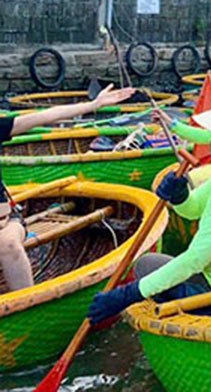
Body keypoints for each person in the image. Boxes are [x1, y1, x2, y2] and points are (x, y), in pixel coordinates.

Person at [87, 97, 211, 322]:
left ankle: (201, 314)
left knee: (145, 267)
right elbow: (192, 210)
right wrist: (180, 195)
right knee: (150, 264)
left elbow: (195, 259)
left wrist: (130, 294)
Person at [0, 85, 134, 291]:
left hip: (6, 223)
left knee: (8, 245)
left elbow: (43, 117)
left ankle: (27, 301)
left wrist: (93, 104)